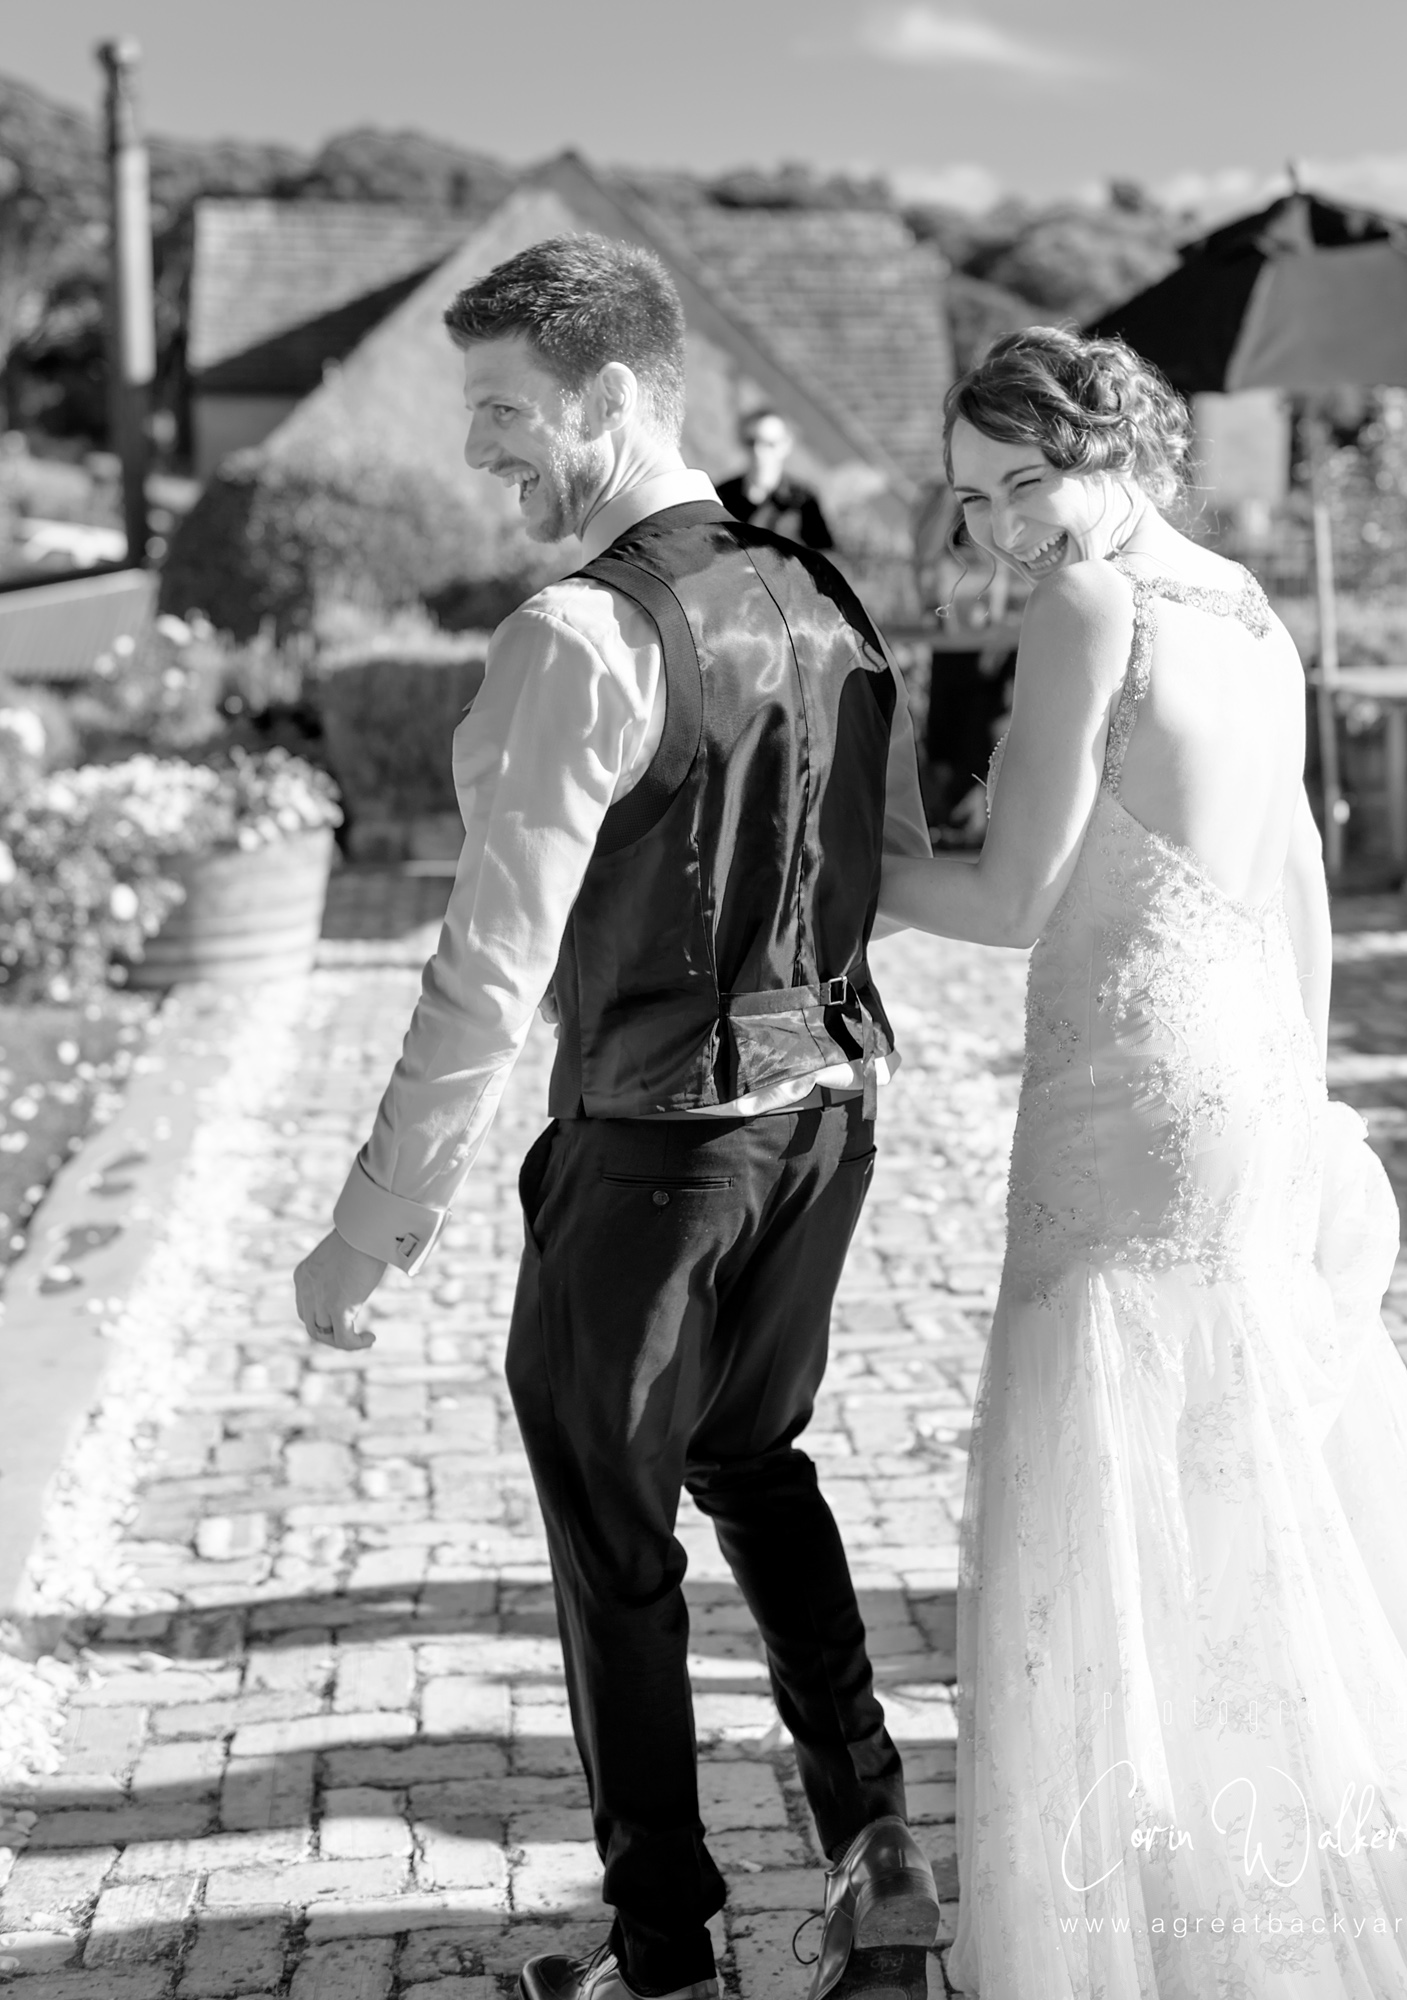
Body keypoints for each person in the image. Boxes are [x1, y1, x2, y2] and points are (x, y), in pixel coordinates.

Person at [876, 326, 1407, 1996]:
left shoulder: (1092, 607)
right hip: (1250, 1071)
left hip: (1130, 1094)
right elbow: (1299, 883)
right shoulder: (1252, 613)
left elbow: (1008, 903)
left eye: (1025, 481)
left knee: (1129, 1484)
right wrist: (1319, 1098)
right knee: (1247, 1477)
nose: (1002, 531)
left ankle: (1177, 1918)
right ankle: (1281, 1875)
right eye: (973, 500)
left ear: (1118, 450)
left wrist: (831, 866)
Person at [292, 234, 939, 2000]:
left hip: (656, 1150)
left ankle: (665, 1954)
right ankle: (877, 1856)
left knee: (614, 1533)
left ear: (621, 400)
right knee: (756, 1461)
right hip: (826, 1122)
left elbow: (487, 976)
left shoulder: (577, 634)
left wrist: (374, 1218)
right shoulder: (825, 596)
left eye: (507, 412)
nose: (483, 451)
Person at [714, 407, 834, 550]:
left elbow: (824, 556)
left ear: (786, 445)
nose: (758, 451)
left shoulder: (803, 501)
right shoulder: (722, 496)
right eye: (751, 442)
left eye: (769, 444)